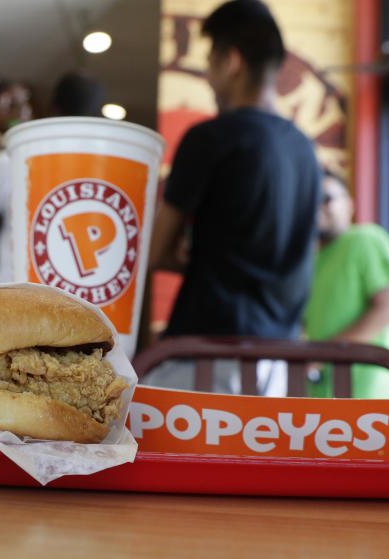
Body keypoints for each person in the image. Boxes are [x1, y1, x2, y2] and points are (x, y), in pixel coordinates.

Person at [149, 0, 320, 340]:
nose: (209, 78)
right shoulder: (305, 151)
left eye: (211, 63)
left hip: (209, 351)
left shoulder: (210, 138)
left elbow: (154, 252)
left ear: (232, 62)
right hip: (280, 359)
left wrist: (200, 260)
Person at [0, 71, 105, 287]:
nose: (19, 112)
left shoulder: (9, 160)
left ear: (51, 109)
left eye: (21, 103)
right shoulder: (107, 170)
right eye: (10, 105)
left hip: (13, 296)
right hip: (81, 295)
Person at [304, 170, 389, 398]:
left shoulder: (365, 239)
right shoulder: (312, 260)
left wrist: (321, 356)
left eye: (326, 198)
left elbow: (386, 310)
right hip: (327, 395)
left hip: (372, 396)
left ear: (348, 204)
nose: (316, 207)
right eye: (308, 199)